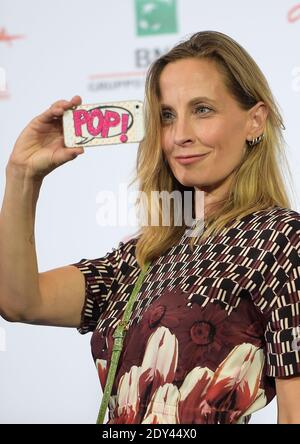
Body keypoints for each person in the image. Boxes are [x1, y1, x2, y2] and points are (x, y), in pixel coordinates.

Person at [1, 30, 300, 424]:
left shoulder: (280, 240)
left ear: (254, 121)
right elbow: (21, 301)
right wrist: (22, 176)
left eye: (203, 110)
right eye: (167, 116)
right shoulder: (144, 255)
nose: (180, 135)